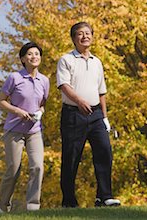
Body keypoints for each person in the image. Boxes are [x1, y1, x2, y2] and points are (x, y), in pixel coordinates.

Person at [56, 22, 120, 208]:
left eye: (88, 33)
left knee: (104, 152)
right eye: (80, 34)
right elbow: (64, 86)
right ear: (74, 38)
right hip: (73, 114)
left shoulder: (96, 61)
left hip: (96, 115)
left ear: (92, 36)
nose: (85, 37)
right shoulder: (66, 59)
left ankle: (104, 196)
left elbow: (101, 91)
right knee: (71, 157)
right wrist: (79, 101)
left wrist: (105, 117)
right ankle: (69, 200)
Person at [0, 42, 49, 212]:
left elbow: (42, 104)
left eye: (37, 54)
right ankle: (3, 207)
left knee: (37, 166)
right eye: (30, 54)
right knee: (13, 169)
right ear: (23, 59)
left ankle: (33, 207)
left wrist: (40, 112)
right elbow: (1, 101)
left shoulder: (44, 80)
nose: (34, 57)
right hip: (14, 130)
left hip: (34, 131)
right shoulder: (15, 78)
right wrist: (17, 111)